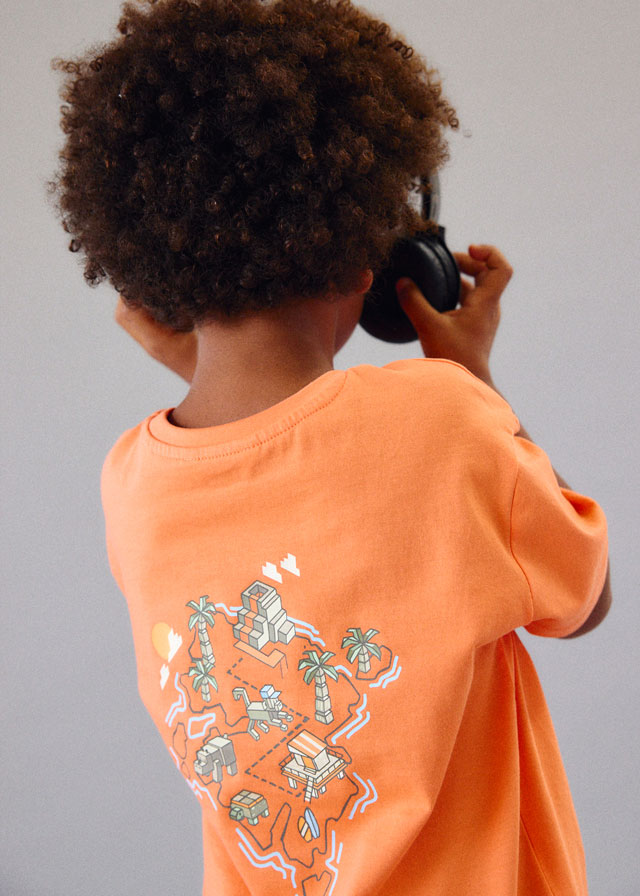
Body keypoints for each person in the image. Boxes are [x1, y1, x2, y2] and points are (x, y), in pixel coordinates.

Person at [49, 1, 611, 893]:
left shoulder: (133, 479)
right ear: (369, 259)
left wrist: (201, 365)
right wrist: (472, 375)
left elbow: (266, 454)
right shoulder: (445, 421)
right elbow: (582, 597)